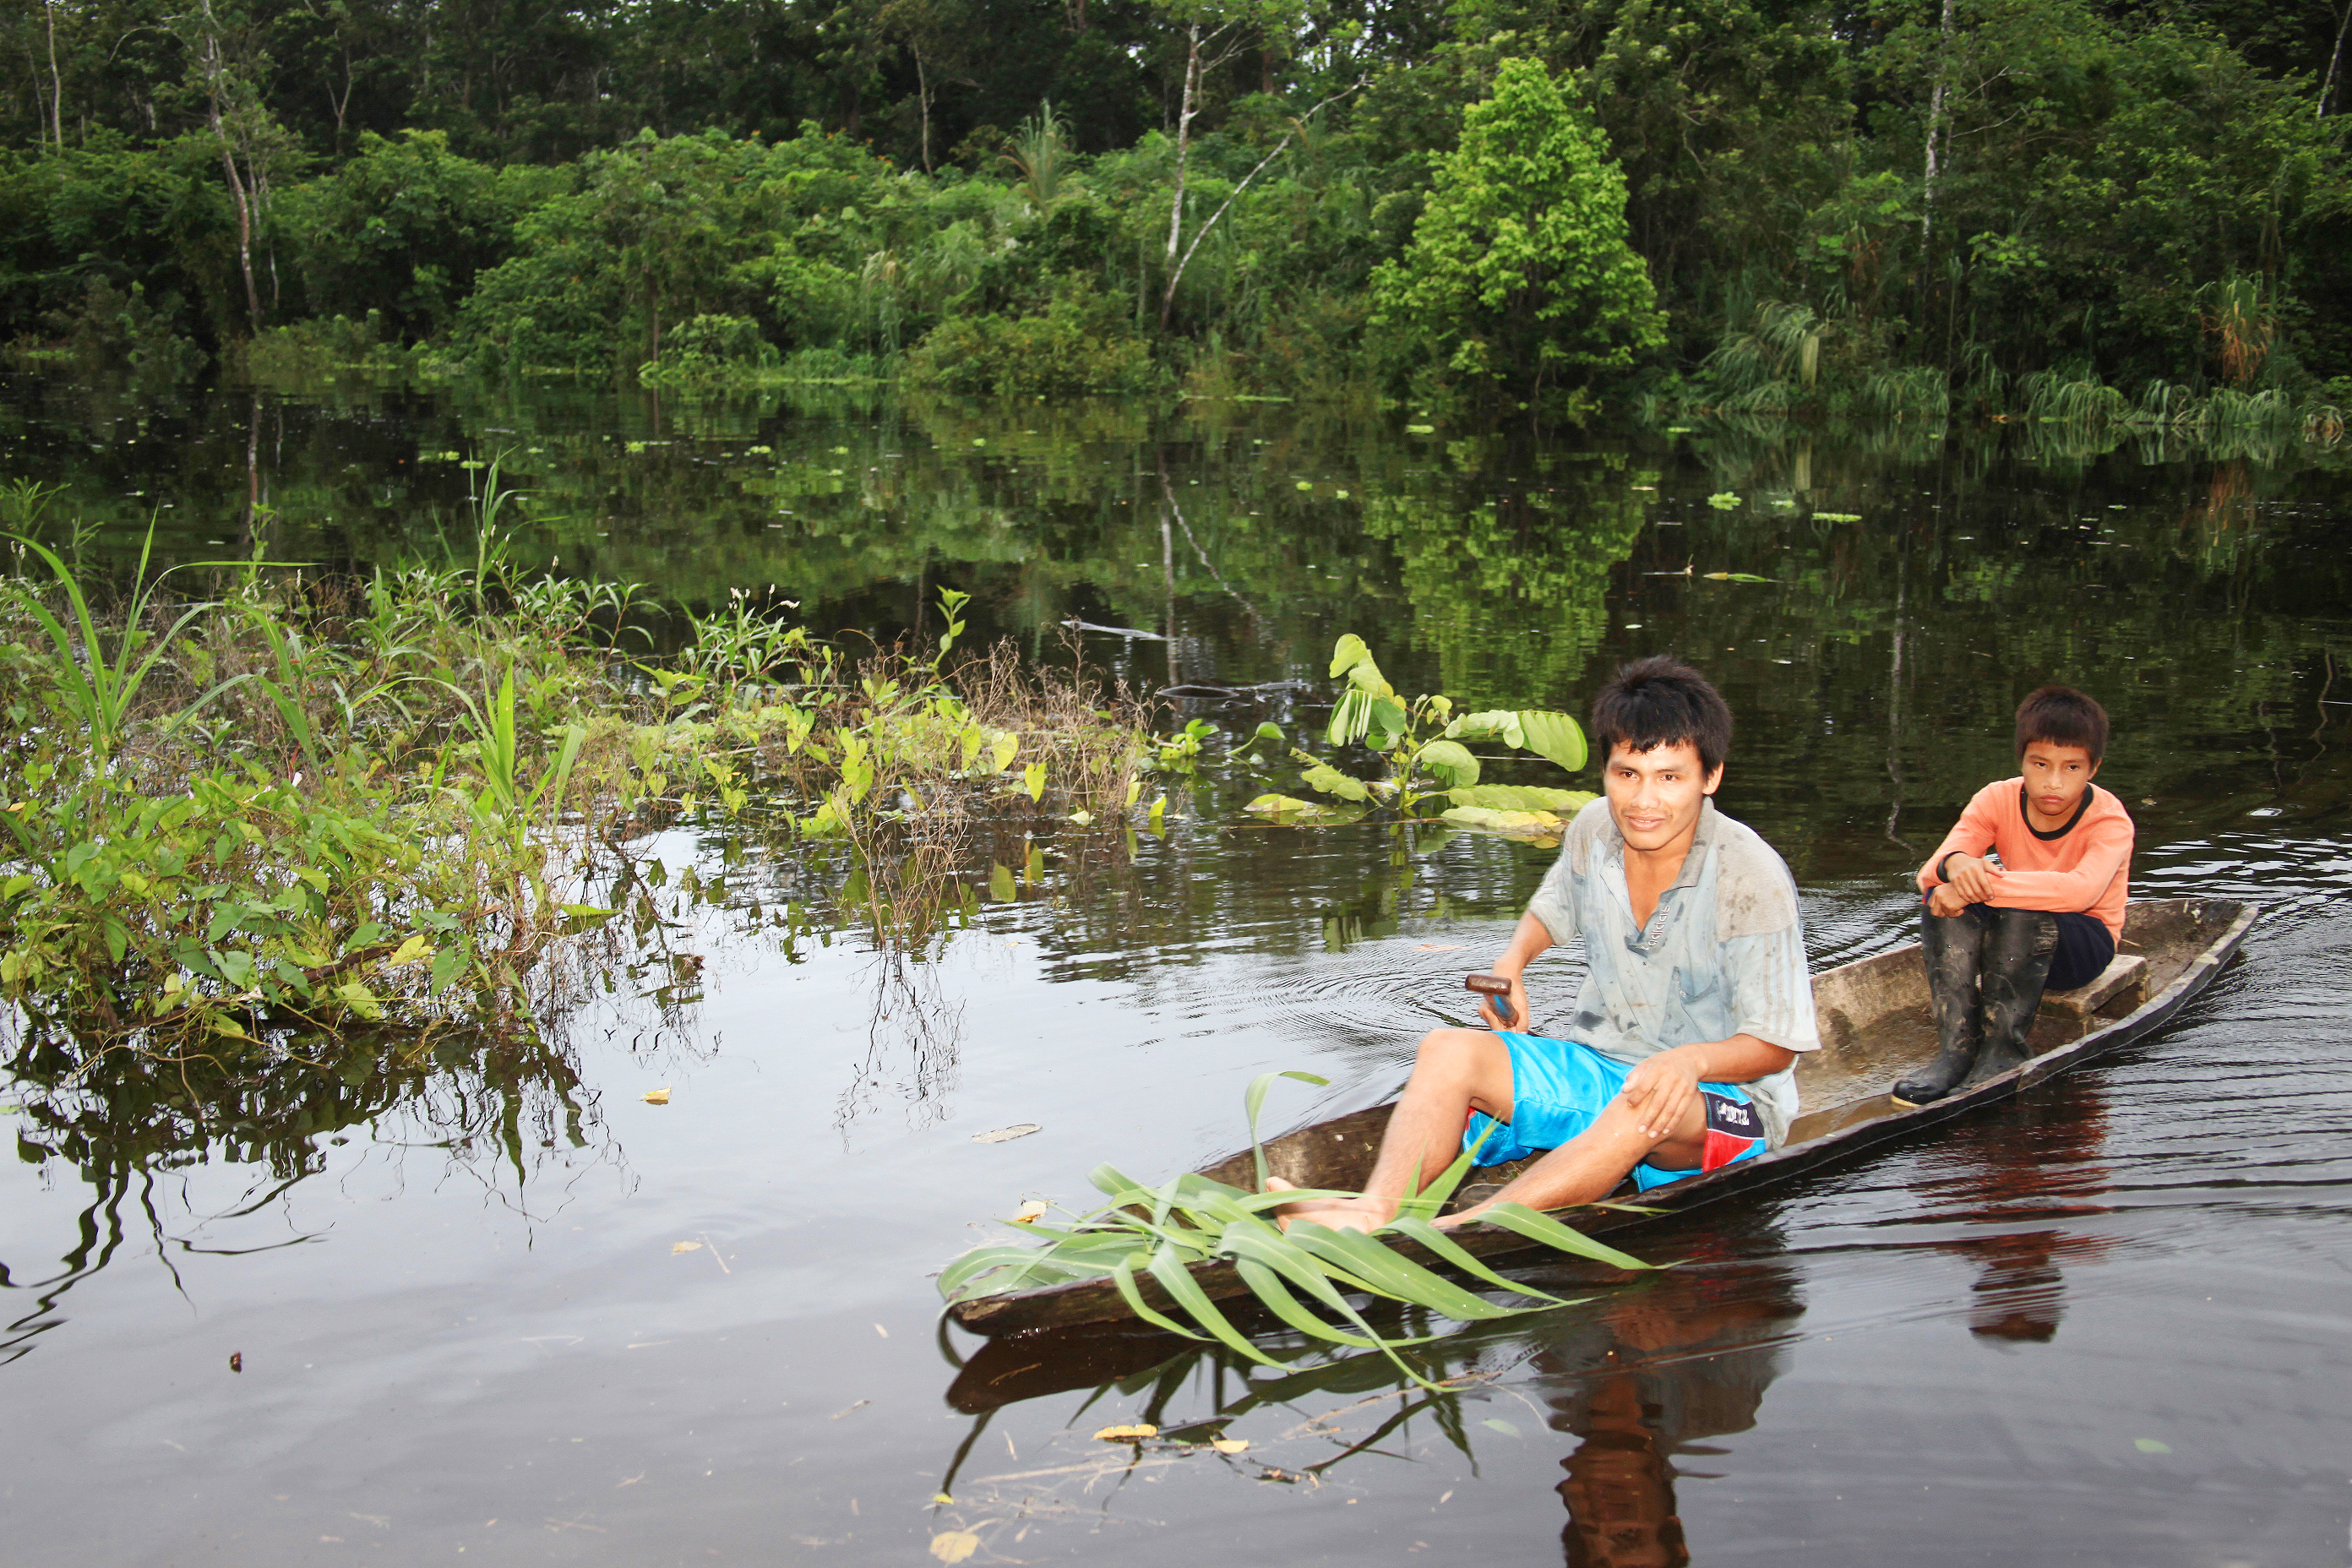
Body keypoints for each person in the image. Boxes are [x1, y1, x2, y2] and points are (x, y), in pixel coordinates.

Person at [1272, 656, 1819, 1234]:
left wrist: (1688, 1061)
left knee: (1645, 1096)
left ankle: (1457, 1233)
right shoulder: (1594, 828)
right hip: (1605, 1064)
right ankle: (1375, 1212)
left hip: (1725, 1108)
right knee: (1446, 1050)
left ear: (1709, 778)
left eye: (1670, 777)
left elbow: (1776, 1046)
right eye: (1626, 774)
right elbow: (1554, 910)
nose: (1644, 802)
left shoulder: (1750, 875)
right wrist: (1514, 961)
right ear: (1607, 770)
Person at [1892, 685, 2133, 1108]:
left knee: (2013, 909)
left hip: (2082, 945)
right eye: (2040, 764)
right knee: (1943, 900)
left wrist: (1979, 883)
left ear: (2093, 768)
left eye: (2071, 767)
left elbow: (2080, 891)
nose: (2053, 782)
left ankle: (2003, 1051)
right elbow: (1931, 871)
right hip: (2012, 939)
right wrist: (1955, 867)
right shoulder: (1997, 798)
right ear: (2022, 761)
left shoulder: (2110, 821)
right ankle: (1956, 1050)